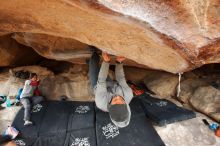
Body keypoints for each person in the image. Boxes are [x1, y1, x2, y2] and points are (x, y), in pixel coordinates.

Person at [89, 50, 133, 128]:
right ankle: (95, 64)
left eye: (115, 101)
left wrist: (106, 61)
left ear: (109, 106)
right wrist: (118, 62)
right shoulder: (128, 94)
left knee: (93, 65)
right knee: (103, 69)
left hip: (98, 86)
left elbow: (101, 81)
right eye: (121, 101)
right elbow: (120, 78)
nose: (117, 98)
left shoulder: (100, 103)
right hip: (111, 84)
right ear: (126, 104)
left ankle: (93, 54)